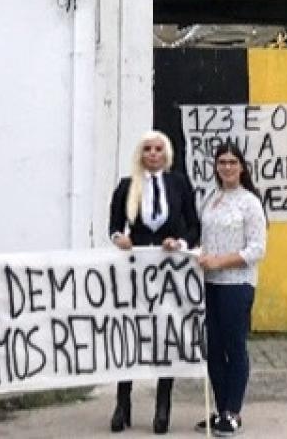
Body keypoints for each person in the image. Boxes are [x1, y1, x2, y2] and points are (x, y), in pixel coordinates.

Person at [108, 130, 201, 435]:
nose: (152, 154)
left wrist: (181, 243)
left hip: (170, 274)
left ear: (167, 153)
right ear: (140, 154)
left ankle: (163, 406)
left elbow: (194, 226)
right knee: (131, 335)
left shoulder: (180, 184)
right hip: (136, 274)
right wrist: (119, 238)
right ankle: (123, 403)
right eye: (147, 149)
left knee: (165, 336)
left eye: (158, 149)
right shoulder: (127, 186)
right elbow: (114, 226)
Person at [195, 142, 268, 437]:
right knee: (212, 348)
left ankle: (233, 411)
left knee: (234, 346)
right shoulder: (210, 199)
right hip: (209, 285)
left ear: (241, 167)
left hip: (237, 284)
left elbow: (257, 249)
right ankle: (220, 408)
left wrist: (220, 261)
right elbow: (201, 238)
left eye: (232, 162)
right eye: (221, 162)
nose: (226, 167)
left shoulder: (249, 202)